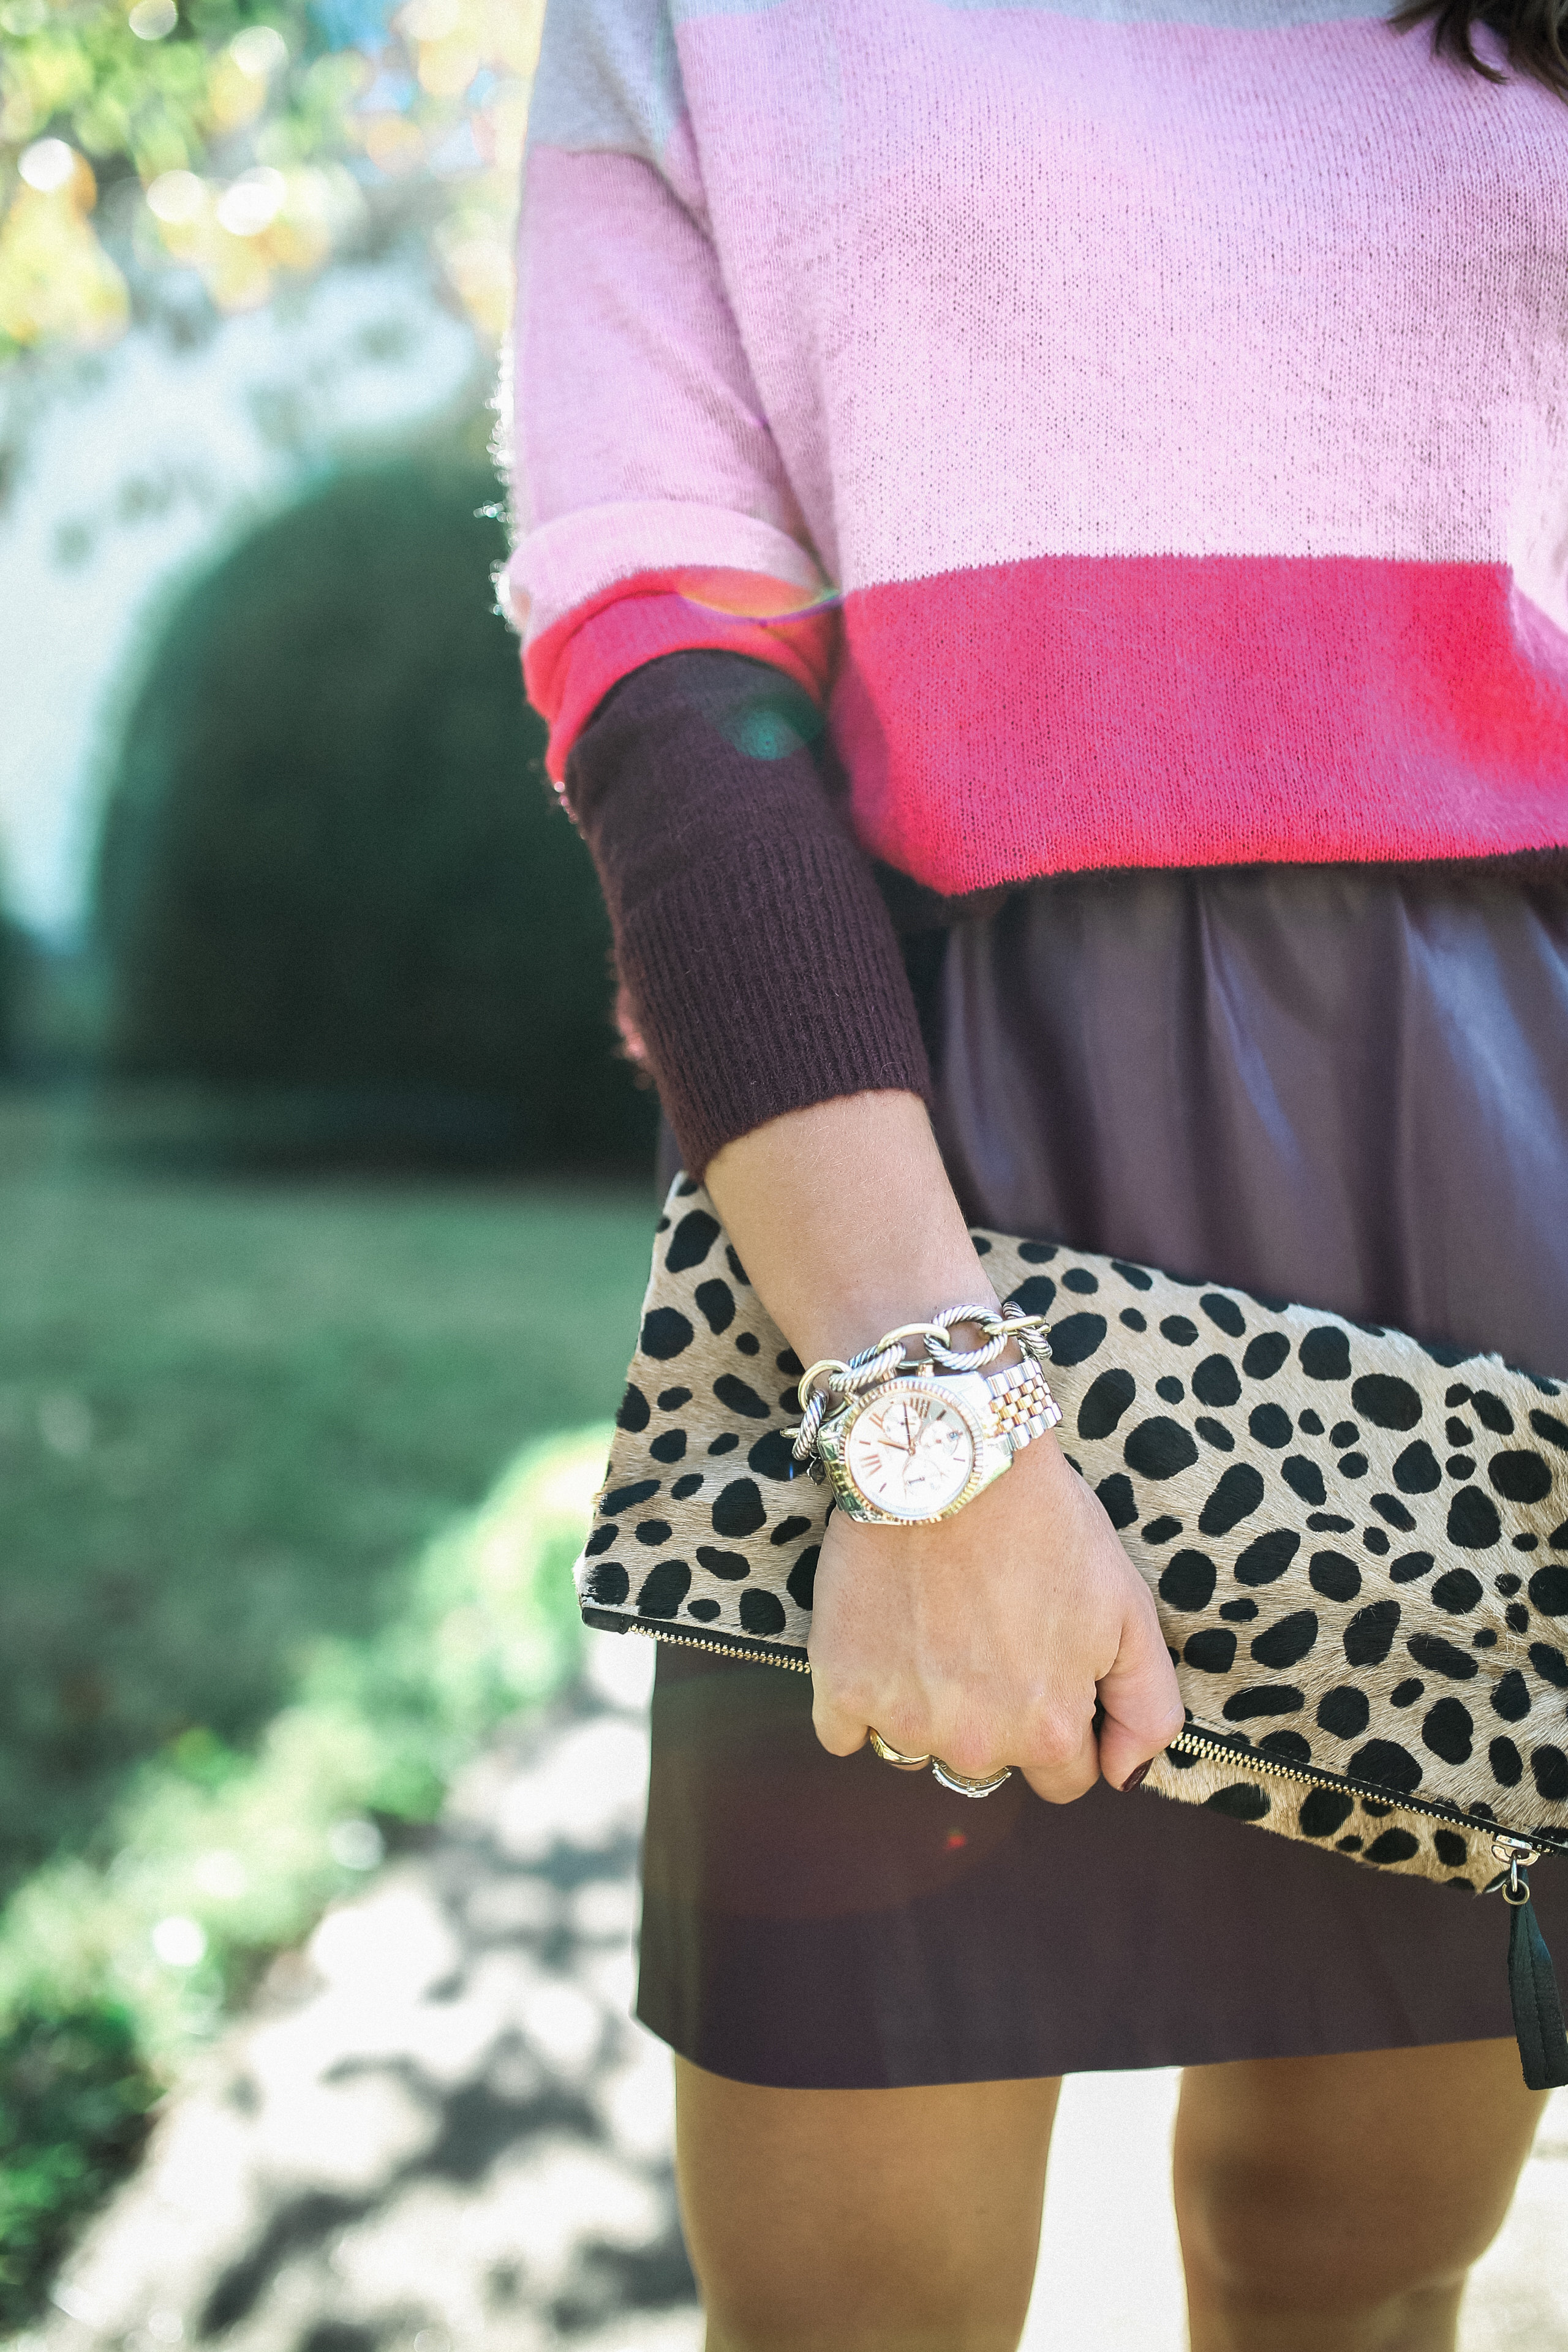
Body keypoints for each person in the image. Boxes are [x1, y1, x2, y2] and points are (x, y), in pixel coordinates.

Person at [504, 0, 1568, 2340]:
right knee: (849, 2302)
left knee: (1365, 2269)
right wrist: (932, 1417)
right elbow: (671, 684)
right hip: (899, 1186)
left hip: (1483, 1219)